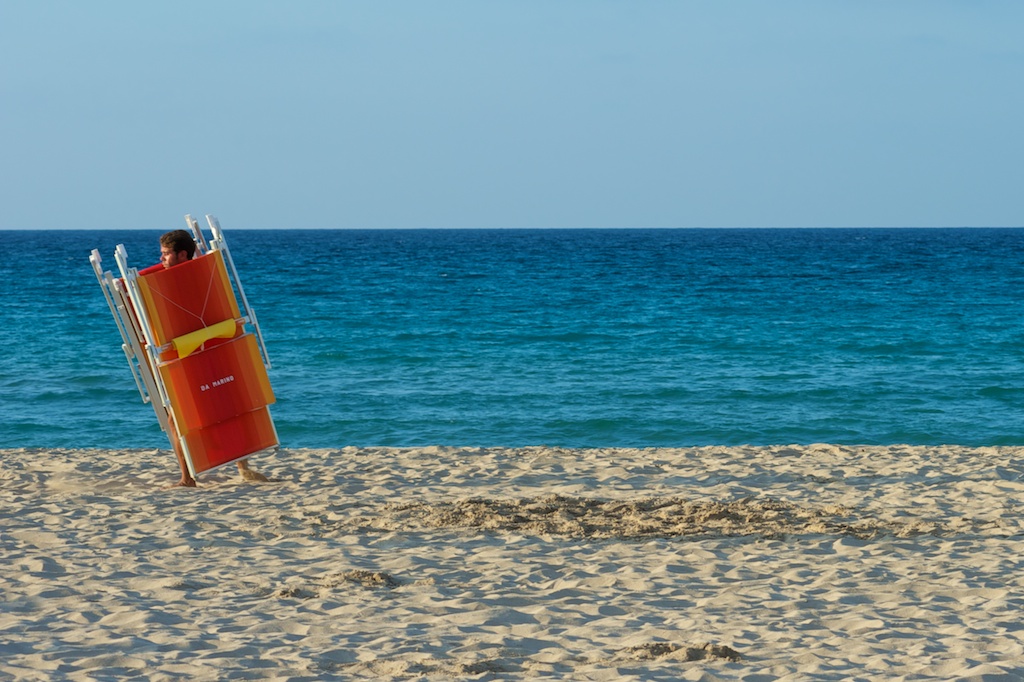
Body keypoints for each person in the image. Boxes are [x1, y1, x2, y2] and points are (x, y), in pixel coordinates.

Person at [154, 229, 270, 487]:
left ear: (182, 254)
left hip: (193, 352)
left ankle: (188, 478)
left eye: (165, 254)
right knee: (223, 405)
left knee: (180, 417)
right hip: (206, 348)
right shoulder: (205, 272)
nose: (161, 259)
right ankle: (241, 467)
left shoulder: (171, 281)